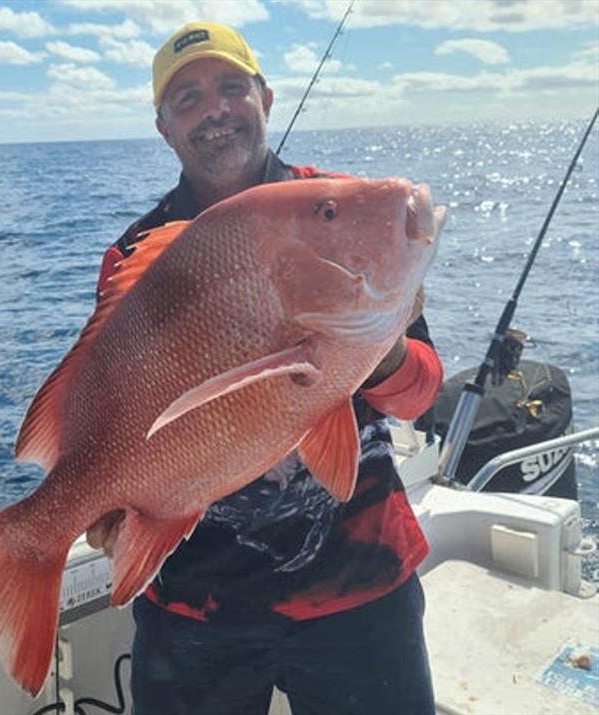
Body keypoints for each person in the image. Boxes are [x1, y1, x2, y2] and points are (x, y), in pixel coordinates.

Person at [86, 21, 443, 715]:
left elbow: (420, 395)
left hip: (360, 590)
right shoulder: (134, 256)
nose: (214, 110)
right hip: (193, 607)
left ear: (266, 97)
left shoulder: (336, 211)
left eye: (230, 87)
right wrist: (105, 501)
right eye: (187, 98)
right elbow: (108, 409)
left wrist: (367, 345)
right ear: (163, 127)